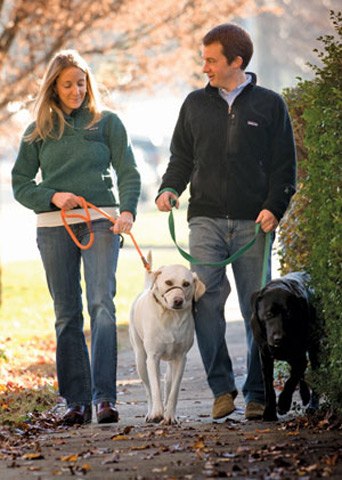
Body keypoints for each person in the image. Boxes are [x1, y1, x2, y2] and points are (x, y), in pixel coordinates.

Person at [156, 24, 296, 420]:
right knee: (203, 305)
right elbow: (181, 159)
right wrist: (169, 189)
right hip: (205, 221)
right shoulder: (194, 104)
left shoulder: (270, 105)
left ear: (236, 61)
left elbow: (286, 168)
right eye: (204, 59)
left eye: (211, 60)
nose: (205, 67)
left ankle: (256, 392)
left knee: (260, 310)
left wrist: (274, 207)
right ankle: (222, 388)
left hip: (255, 224)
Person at [12, 50, 141, 425]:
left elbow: (128, 170)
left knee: (102, 305)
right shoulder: (38, 130)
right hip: (55, 227)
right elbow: (20, 183)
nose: (76, 90)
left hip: (101, 221)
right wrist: (52, 196)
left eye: (81, 82)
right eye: (67, 84)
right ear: (53, 86)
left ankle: (104, 399)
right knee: (66, 314)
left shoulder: (107, 122)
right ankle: (77, 402)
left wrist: (128, 211)